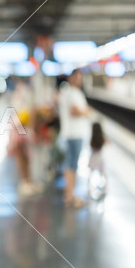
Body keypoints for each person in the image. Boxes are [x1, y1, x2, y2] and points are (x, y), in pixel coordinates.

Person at [58, 69, 90, 208]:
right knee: (72, 165)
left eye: (80, 77)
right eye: (75, 77)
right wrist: (86, 111)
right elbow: (75, 110)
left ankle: (69, 194)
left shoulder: (72, 92)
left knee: (70, 164)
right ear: (70, 78)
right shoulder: (71, 93)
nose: (78, 80)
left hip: (73, 134)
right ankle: (70, 196)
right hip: (73, 135)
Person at [88, 122, 107, 200]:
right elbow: (108, 142)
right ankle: (104, 189)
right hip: (99, 160)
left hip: (92, 159)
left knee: (90, 175)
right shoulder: (101, 139)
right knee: (103, 175)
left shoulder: (92, 139)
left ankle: (89, 189)